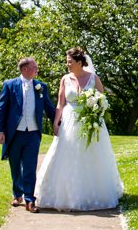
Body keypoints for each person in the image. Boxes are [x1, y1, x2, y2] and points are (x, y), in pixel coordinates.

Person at [35, 47, 123, 211]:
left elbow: (102, 100)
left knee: (91, 156)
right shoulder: (65, 79)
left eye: (70, 62)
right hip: (69, 122)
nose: (67, 64)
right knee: (66, 156)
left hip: (89, 121)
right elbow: (60, 103)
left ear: (79, 62)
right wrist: (56, 122)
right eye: (67, 62)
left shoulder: (93, 78)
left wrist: (95, 112)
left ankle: (93, 194)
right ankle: (67, 195)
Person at [0, 56, 57, 213]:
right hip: (15, 133)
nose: (37, 70)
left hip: (33, 134)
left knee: (30, 167)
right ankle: (17, 195)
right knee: (15, 166)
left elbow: (49, 108)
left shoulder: (41, 86)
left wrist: (59, 123)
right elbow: (1, 109)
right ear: (25, 69)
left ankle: (30, 200)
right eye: (34, 67)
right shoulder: (9, 85)